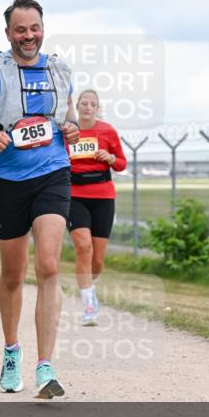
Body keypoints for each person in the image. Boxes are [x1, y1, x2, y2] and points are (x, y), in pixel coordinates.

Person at [0, 0, 80, 399]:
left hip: (53, 174)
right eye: (21, 30)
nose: (29, 36)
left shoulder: (59, 68)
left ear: (44, 28)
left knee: (48, 264)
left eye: (35, 28)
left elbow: (69, 113)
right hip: (8, 180)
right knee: (12, 274)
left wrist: (73, 126)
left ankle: (46, 367)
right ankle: (11, 352)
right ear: (8, 33)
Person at [65, 90, 127, 326]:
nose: (88, 107)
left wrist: (109, 158)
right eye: (84, 103)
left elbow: (121, 163)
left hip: (102, 195)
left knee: (98, 260)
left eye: (93, 104)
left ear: (97, 108)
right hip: (74, 195)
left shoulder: (107, 131)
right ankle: (89, 304)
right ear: (77, 106)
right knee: (83, 247)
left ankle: (90, 285)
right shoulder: (68, 131)